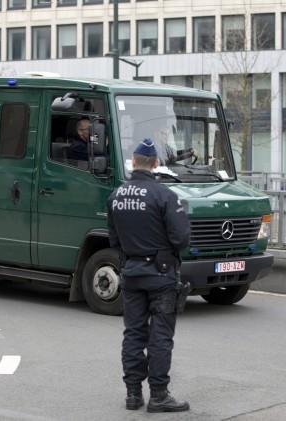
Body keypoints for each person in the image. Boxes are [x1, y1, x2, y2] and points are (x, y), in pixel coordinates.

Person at [107, 138, 191, 413]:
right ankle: (158, 394)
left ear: (134, 162)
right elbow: (181, 239)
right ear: (156, 164)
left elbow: (114, 240)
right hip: (161, 275)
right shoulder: (165, 195)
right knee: (160, 336)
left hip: (131, 273)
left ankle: (133, 394)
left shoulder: (116, 195)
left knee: (133, 333)